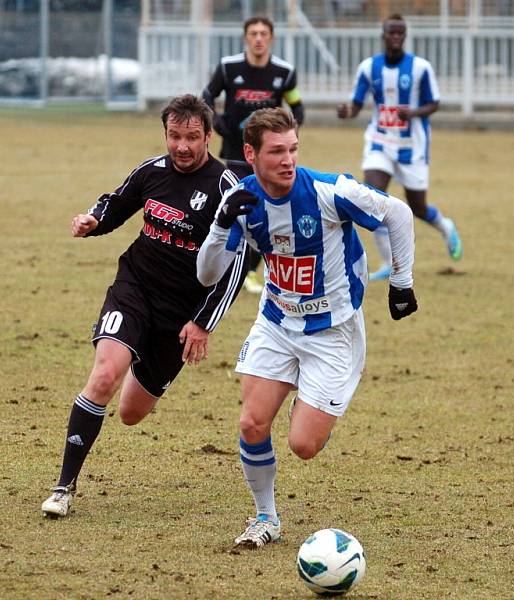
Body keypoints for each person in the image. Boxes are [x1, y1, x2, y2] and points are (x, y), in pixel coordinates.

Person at [196, 107, 418, 548]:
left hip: (333, 331)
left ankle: (314, 397)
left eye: (293, 149)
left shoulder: (328, 191)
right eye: (276, 151)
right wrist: (221, 225)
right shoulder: (241, 201)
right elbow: (206, 274)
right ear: (250, 153)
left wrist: (401, 283)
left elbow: (398, 214)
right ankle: (265, 518)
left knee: (304, 445)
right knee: (252, 423)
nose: (287, 159)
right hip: (277, 321)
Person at [41, 94, 247, 518]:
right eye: (174, 136)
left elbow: (235, 266)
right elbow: (117, 202)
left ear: (209, 136)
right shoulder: (153, 171)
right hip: (133, 289)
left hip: (179, 317)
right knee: (102, 377)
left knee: (131, 413)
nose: (182, 147)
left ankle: (136, 353)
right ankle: (63, 487)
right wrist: (94, 220)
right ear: (166, 134)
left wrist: (203, 323)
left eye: (192, 137)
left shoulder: (225, 188)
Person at [337, 13, 462, 281]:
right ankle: (387, 262)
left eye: (400, 33)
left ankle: (444, 226)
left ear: (404, 36)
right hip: (380, 142)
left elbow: (434, 103)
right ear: (383, 35)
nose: (395, 37)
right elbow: (356, 105)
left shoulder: (420, 68)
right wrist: (346, 112)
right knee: (372, 197)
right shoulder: (369, 67)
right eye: (391, 32)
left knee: (418, 207)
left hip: (412, 147)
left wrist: (414, 112)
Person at [202, 15, 305, 295]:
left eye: (263, 34)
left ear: (271, 38)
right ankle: (224, 266)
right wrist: (216, 121)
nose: (258, 38)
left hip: (267, 160)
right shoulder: (228, 67)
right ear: (246, 37)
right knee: (231, 209)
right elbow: (207, 97)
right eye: (253, 33)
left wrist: (287, 137)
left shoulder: (284, 72)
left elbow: (297, 107)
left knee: (267, 211)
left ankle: (248, 271)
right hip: (235, 154)